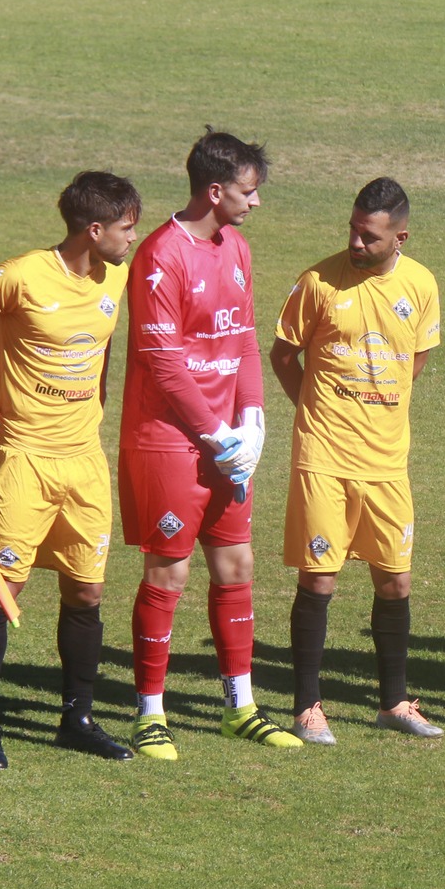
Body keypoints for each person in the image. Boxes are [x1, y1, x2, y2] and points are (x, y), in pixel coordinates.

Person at [119, 130, 300, 759]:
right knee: (169, 569)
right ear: (216, 190)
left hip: (228, 444)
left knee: (237, 565)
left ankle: (240, 706)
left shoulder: (238, 248)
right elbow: (163, 362)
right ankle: (149, 714)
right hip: (168, 441)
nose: (256, 204)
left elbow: (244, 338)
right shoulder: (160, 256)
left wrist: (252, 419)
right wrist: (217, 432)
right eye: (249, 192)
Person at [0, 171, 143, 766]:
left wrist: (97, 407)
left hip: (84, 462)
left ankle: (78, 719)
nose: (131, 239)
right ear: (95, 229)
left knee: (87, 590)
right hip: (23, 462)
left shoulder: (116, 276)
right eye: (125, 228)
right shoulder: (19, 277)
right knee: (1, 590)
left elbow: (105, 348)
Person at [269, 177, 444, 743]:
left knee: (395, 582)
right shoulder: (318, 282)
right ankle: (306, 707)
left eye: (369, 236)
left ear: (400, 237)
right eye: (352, 230)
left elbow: (413, 362)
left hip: (387, 463)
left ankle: (394, 702)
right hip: (324, 456)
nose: (356, 242)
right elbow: (283, 354)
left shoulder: (420, 285)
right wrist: (314, 407)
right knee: (319, 580)